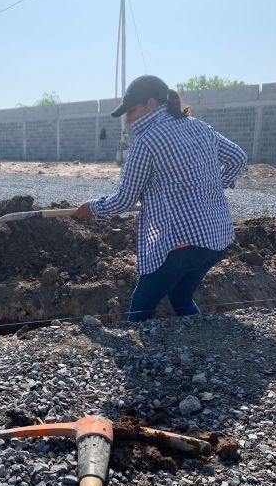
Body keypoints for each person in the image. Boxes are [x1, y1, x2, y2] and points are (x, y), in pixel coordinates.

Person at [73, 74, 247, 321]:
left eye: (131, 111)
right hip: (216, 238)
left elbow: (124, 199)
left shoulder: (147, 141)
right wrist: (213, 187)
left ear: (151, 104)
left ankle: (138, 358)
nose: (128, 119)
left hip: (183, 244)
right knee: (180, 297)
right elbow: (238, 158)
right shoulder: (198, 126)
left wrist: (93, 208)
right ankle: (200, 342)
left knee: (143, 302)